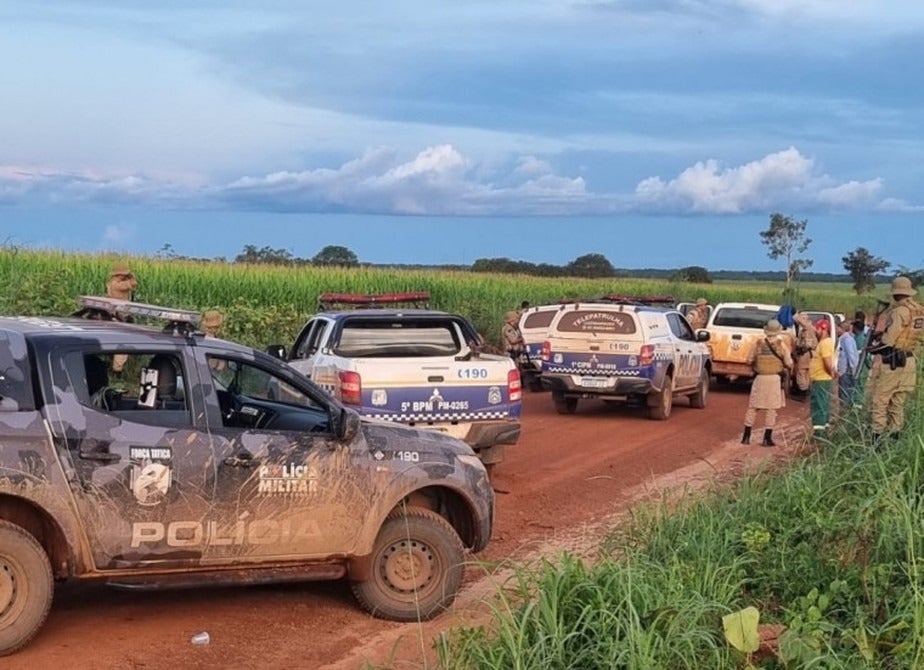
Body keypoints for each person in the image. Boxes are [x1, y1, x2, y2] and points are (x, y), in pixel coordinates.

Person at [868, 276, 924, 441]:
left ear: (895, 293)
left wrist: (873, 348)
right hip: (910, 361)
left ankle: (877, 441)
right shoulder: (919, 311)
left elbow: (889, 341)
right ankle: (894, 439)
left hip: (894, 362)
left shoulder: (899, 312)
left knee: (880, 400)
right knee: (897, 403)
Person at [741, 319, 793, 447]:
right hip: (774, 379)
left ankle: (746, 436)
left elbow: (749, 360)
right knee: (771, 409)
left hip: (760, 378)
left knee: (753, 407)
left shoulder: (758, 344)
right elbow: (789, 363)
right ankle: (767, 438)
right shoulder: (781, 345)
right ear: (778, 330)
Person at [809, 318, 837, 436]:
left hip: (821, 379)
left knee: (819, 406)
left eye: (818, 329)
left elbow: (827, 362)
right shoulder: (824, 343)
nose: (816, 331)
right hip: (821, 378)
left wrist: (831, 373)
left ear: (823, 329)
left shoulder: (825, 343)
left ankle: (819, 434)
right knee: (823, 405)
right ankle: (824, 431)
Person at [791, 311, 818, 399]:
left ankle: (802, 391)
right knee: (806, 372)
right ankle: (806, 390)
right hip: (809, 353)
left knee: (801, 372)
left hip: (806, 353)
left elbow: (806, 344)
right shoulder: (809, 329)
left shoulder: (807, 328)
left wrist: (795, 314)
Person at [835, 318, 859, 410]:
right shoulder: (846, 339)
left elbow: (851, 355)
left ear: (842, 329)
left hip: (846, 369)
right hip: (845, 369)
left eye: (838, 328)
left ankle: (845, 411)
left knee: (844, 391)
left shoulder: (846, 340)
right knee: (845, 391)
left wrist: (853, 369)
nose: (836, 330)